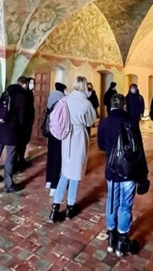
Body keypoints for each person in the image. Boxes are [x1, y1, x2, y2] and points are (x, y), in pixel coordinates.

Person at [98, 94, 148, 257]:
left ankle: (111, 238)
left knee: (112, 201)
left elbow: (100, 145)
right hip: (129, 171)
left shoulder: (105, 122)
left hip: (112, 171)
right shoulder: (131, 122)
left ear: (111, 105)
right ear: (123, 105)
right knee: (125, 205)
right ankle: (122, 241)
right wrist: (143, 173)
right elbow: (139, 148)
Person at [48, 76, 97, 223]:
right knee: (75, 173)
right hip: (79, 137)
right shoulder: (86, 103)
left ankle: (55, 208)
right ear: (85, 87)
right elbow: (90, 121)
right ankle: (70, 207)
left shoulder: (66, 99)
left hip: (67, 137)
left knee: (65, 173)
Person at [0, 76, 28, 193]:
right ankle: (8, 185)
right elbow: (21, 117)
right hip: (12, 131)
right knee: (10, 157)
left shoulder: (6, 92)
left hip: (1, 128)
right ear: (24, 84)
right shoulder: (21, 95)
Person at [45, 82, 67, 197]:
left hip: (51, 130)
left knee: (50, 156)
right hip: (58, 132)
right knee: (57, 158)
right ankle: (54, 185)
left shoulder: (51, 96)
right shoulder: (62, 99)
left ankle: (48, 181)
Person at [15, 77, 35, 171]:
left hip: (27, 123)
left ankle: (21, 161)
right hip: (23, 124)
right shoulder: (24, 94)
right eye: (30, 82)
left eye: (33, 83)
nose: (32, 84)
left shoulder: (30, 93)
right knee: (20, 144)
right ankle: (17, 163)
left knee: (23, 144)